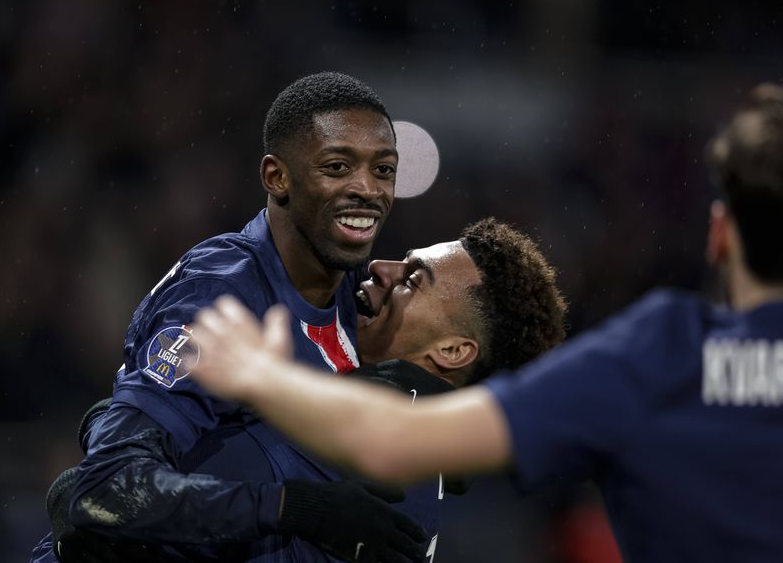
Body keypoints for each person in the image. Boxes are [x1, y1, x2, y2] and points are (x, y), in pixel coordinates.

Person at [189, 83, 783, 562]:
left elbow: (390, 441)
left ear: (719, 235)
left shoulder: (663, 352)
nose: (381, 268)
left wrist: (257, 372)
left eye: (416, 278)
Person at [30, 71, 425, 563]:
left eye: (383, 170)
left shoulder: (352, 290)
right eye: (337, 166)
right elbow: (106, 488)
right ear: (276, 177)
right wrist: (294, 507)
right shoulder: (222, 298)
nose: (367, 188)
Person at [36, 217, 568, 561]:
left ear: (452, 351)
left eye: (412, 280)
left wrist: (110, 420)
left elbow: (105, 500)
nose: (380, 268)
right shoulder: (421, 450)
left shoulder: (368, 432)